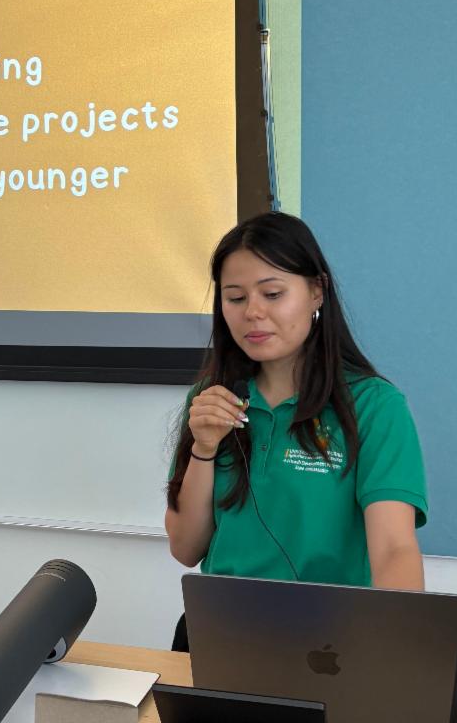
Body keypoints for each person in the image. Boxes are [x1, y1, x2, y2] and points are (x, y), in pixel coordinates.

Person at [165, 212, 426, 597]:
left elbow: (393, 550)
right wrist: (204, 448)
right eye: (235, 297)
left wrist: (397, 642)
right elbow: (186, 549)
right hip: (221, 629)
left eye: (272, 294)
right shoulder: (211, 400)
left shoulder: (374, 405)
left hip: (330, 643)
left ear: (316, 291)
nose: (252, 311)